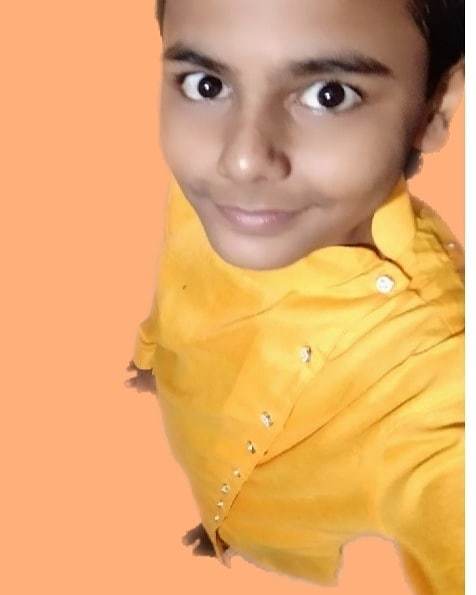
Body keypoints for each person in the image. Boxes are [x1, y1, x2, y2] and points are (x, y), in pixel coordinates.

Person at [125, 1, 465, 592]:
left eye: (329, 95)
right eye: (207, 85)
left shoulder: (439, 377)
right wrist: (149, 358)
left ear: (435, 107)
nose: (241, 161)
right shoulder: (220, 206)